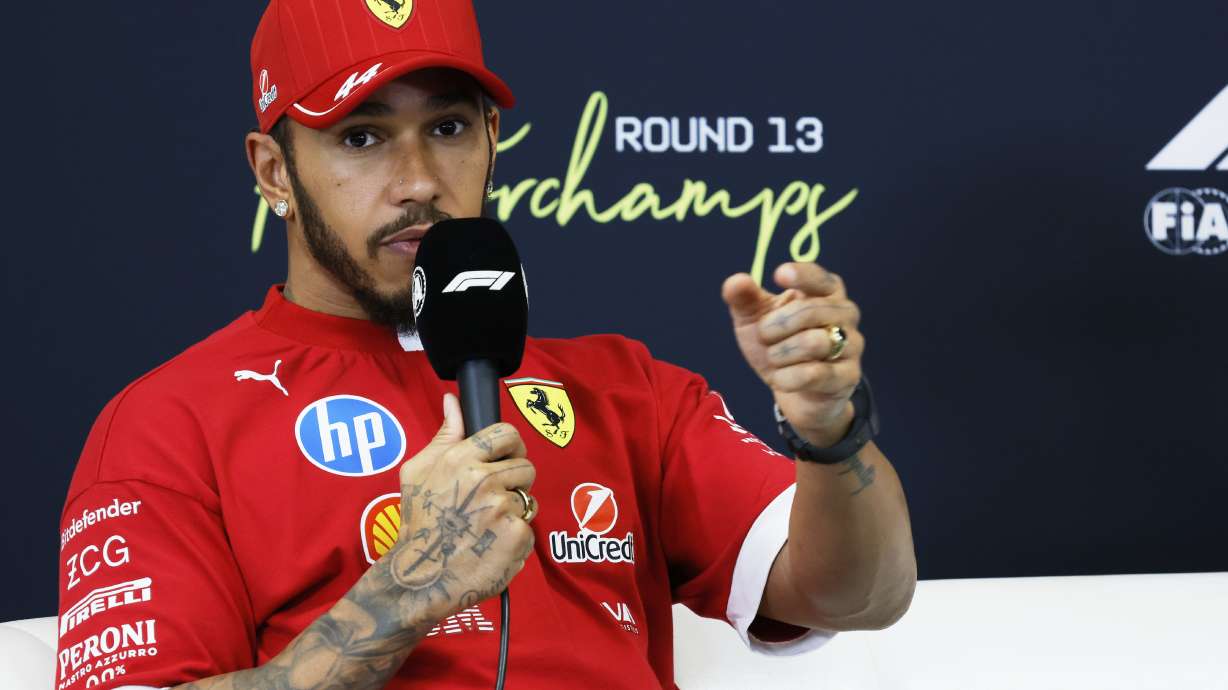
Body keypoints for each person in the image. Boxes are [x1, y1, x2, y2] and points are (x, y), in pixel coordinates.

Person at [52, 1, 916, 689]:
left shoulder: (624, 388)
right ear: (274, 171)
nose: (420, 180)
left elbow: (863, 597)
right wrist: (404, 593)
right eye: (362, 136)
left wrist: (831, 434)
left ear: (493, 142)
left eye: (450, 128)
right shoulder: (170, 422)